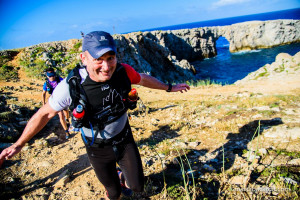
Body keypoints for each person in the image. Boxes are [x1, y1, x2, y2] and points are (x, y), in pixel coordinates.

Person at [0, 31, 190, 200]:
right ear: (84, 58)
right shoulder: (71, 86)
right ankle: (115, 180)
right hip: (97, 148)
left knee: (137, 186)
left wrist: (169, 88)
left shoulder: (123, 72)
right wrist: (19, 144)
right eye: (98, 59)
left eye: (110, 58)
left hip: (124, 139)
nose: (106, 66)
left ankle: (124, 176)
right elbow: (44, 114)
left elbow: (142, 78)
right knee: (113, 194)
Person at [42, 67, 71, 139]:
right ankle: (66, 131)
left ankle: (67, 119)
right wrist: (43, 103)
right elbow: (43, 93)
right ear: (47, 76)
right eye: (50, 76)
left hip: (63, 98)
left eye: (53, 75)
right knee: (61, 115)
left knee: (66, 111)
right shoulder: (47, 84)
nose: (52, 77)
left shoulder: (59, 80)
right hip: (55, 101)